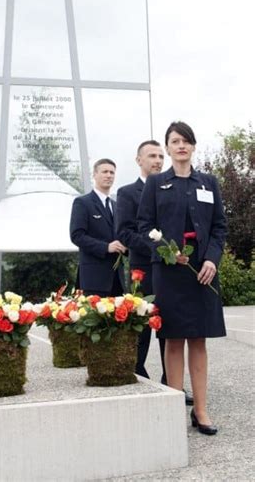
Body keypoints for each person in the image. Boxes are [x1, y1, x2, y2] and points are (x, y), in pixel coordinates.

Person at [138, 122, 226, 435]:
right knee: (173, 339)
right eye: (175, 141)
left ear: (193, 146)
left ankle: (200, 411)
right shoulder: (156, 183)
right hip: (170, 271)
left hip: (202, 272)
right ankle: (174, 407)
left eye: (186, 141)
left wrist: (212, 261)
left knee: (198, 340)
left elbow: (219, 228)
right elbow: (144, 225)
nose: (181, 146)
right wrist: (165, 250)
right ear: (168, 147)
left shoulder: (209, 182)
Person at [116, 141, 169, 383]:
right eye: (151, 156)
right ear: (139, 160)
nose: (157, 160)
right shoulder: (127, 193)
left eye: (160, 156)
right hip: (143, 268)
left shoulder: (171, 189)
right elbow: (125, 233)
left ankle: (172, 379)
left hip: (171, 268)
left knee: (170, 324)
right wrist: (157, 247)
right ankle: (138, 373)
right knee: (142, 323)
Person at [70, 158, 126, 296]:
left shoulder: (116, 205)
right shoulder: (82, 202)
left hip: (118, 279)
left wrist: (126, 247)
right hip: (93, 279)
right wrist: (106, 247)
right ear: (94, 175)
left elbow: (121, 234)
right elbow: (77, 236)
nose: (109, 175)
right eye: (104, 172)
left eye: (112, 172)